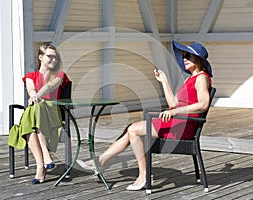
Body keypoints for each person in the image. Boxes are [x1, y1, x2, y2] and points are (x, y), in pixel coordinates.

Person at [76, 40, 213, 190]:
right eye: (183, 55)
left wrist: (174, 112)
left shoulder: (201, 78)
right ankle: (100, 162)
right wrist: (164, 81)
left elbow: (203, 104)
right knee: (131, 129)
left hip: (182, 126)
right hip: (177, 122)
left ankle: (143, 176)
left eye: (188, 56)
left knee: (134, 130)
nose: (184, 58)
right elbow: (173, 102)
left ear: (198, 60)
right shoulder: (190, 78)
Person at [8, 44, 70, 184]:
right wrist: (33, 95)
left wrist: (37, 96)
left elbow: (49, 86)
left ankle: (43, 163)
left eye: (55, 57)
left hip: (53, 112)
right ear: (41, 57)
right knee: (33, 114)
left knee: (36, 108)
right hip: (35, 112)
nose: (54, 59)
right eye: (50, 56)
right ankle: (42, 164)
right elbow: (30, 89)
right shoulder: (31, 76)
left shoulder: (59, 75)